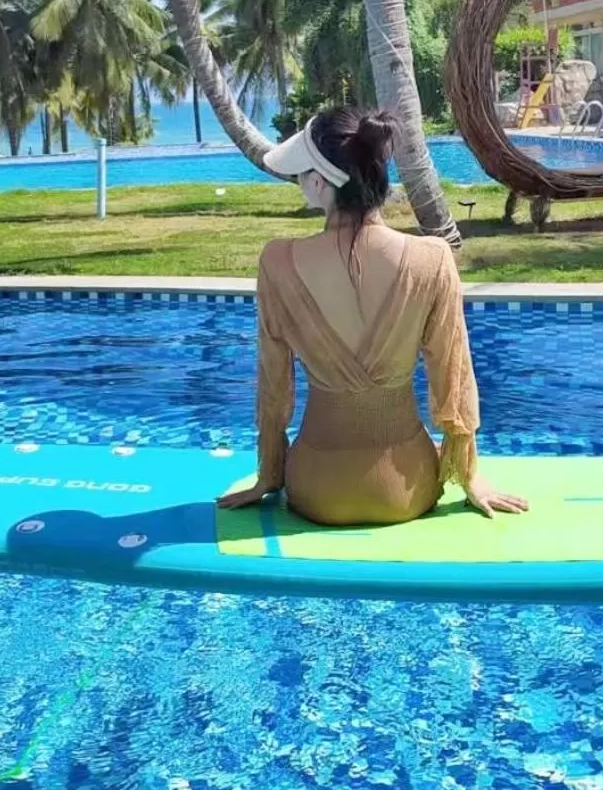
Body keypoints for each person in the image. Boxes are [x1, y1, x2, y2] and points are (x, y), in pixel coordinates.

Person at [217, 108, 528, 526]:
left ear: (317, 182)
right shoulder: (432, 259)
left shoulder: (277, 262)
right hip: (407, 488)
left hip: (316, 487)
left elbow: (275, 386)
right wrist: (470, 475)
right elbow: (452, 377)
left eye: (299, 177)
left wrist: (268, 476)